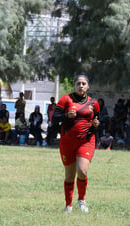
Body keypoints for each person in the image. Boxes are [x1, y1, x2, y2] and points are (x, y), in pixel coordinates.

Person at [53, 74, 100, 214]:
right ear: (74, 85)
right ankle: (68, 205)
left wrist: (97, 124)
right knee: (69, 175)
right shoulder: (66, 99)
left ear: (88, 86)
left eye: (83, 83)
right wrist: (67, 115)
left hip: (86, 141)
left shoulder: (93, 103)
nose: (81, 86)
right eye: (78, 83)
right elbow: (54, 118)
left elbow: (98, 119)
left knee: (82, 171)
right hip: (67, 142)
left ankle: (81, 200)